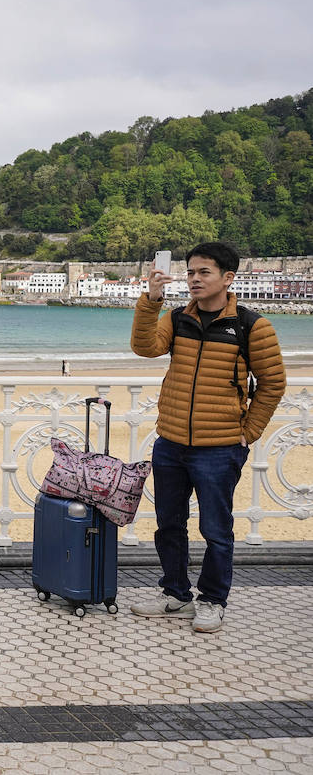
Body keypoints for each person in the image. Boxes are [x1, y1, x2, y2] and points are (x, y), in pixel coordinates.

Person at [128, 242, 286, 632]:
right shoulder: (178, 317)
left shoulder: (253, 326)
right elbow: (144, 347)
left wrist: (247, 433)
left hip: (220, 448)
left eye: (204, 273)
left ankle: (213, 600)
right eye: (191, 273)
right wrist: (151, 301)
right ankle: (175, 595)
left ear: (227, 277)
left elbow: (273, 385)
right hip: (171, 442)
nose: (195, 280)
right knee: (168, 524)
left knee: (216, 529)